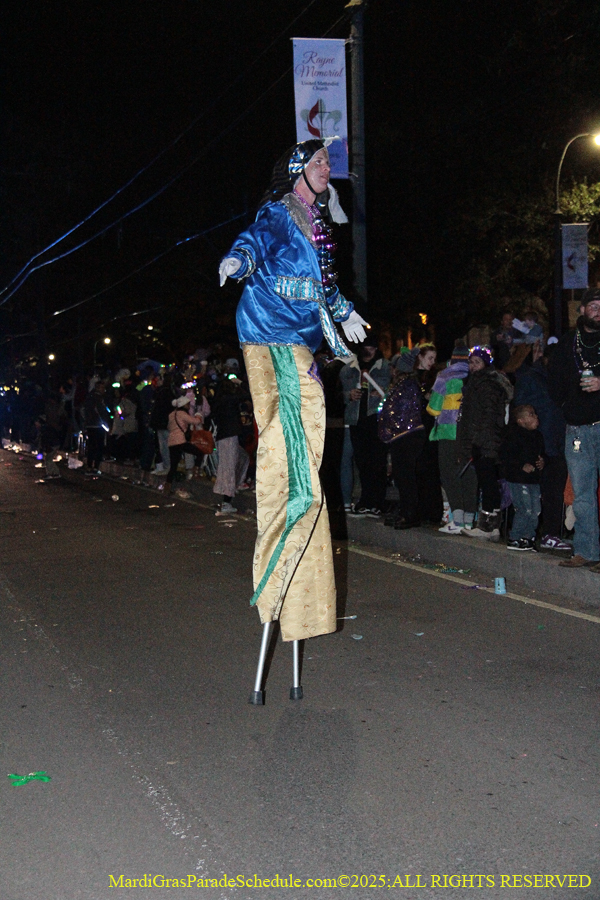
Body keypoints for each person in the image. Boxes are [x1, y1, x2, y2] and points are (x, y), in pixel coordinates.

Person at [219, 138, 368, 642]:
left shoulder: (317, 224)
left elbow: (322, 288)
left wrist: (345, 312)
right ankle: (279, 561)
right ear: (299, 170)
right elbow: (255, 238)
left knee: (305, 454)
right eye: (319, 161)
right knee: (290, 458)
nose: (328, 168)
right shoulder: (281, 213)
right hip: (270, 335)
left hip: (297, 342)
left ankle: (301, 582)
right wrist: (237, 261)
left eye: (329, 161)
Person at [548, 288, 600, 569]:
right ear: (582, 310)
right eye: (593, 305)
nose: (598, 310)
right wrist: (569, 405)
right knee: (581, 494)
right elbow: (553, 384)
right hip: (577, 429)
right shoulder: (568, 344)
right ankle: (586, 550)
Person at [513, 341, 570, 553]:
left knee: (554, 492)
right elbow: (523, 412)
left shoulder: (557, 379)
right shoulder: (532, 379)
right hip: (540, 445)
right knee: (535, 494)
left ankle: (551, 534)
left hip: (557, 443)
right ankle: (526, 535)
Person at [457, 346, 513, 541]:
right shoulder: (476, 383)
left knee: (487, 482)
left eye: (477, 362)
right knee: (488, 482)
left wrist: (478, 440)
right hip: (484, 439)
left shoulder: (487, 385)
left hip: (486, 441)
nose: (473, 366)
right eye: (471, 362)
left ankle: (486, 526)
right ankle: (493, 526)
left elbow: (488, 415)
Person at [427, 343, 478, 533]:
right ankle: (468, 521)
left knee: (449, 473)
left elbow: (433, 408)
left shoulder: (445, 376)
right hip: (469, 434)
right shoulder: (474, 376)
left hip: (449, 431)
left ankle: (456, 521)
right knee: (468, 474)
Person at [340, 336, 391, 517]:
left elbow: (391, 389)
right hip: (357, 420)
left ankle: (377, 501)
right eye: (366, 347)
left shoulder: (384, 367)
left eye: (372, 347)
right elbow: (339, 393)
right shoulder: (349, 369)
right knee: (362, 462)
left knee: (377, 462)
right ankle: (366, 500)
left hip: (376, 419)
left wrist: (382, 393)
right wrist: (348, 395)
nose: (368, 351)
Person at [499, 405, 545, 551]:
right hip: (518, 479)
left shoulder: (538, 436)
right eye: (531, 414)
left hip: (533, 480)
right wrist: (521, 465)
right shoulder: (513, 435)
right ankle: (515, 537)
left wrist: (542, 462)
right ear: (520, 420)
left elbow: (542, 454)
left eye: (535, 414)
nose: (535, 417)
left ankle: (528, 537)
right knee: (524, 508)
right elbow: (506, 456)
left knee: (535, 509)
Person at [211, 374, 250, 516]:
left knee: (241, 459)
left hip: (223, 437)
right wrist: (239, 382)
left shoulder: (218, 401)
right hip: (229, 436)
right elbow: (250, 393)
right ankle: (227, 501)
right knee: (229, 467)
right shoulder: (228, 399)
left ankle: (234, 487)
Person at [164, 396, 205, 494]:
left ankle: (167, 488)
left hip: (171, 442)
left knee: (173, 466)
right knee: (200, 452)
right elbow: (195, 421)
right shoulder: (182, 414)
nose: (189, 406)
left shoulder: (171, 414)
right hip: (180, 441)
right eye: (187, 404)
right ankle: (196, 472)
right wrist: (199, 415)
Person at [83, 380, 110, 473]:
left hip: (90, 425)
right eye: (102, 388)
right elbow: (101, 412)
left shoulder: (89, 398)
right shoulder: (98, 399)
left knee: (91, 445)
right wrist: (106, 425)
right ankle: (96, 466)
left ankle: (90, 465)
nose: (104, 390)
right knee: (99, 446)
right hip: (98, 425)